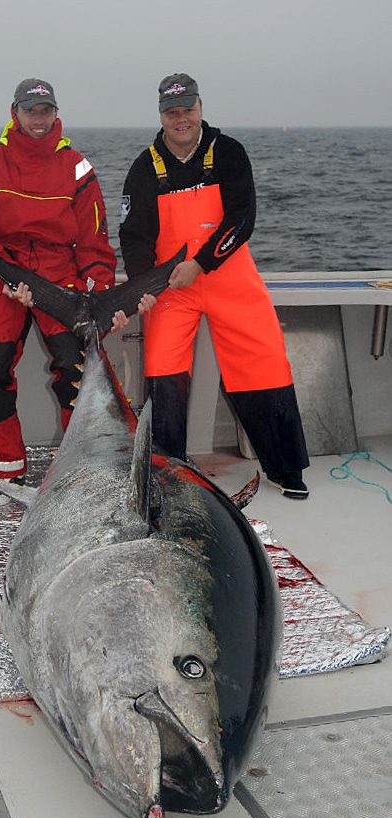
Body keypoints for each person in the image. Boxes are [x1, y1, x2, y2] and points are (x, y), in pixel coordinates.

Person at [119, 73, 310, 499]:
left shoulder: (228, 152)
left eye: (187, 109)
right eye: (172, 112)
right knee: (163, 374)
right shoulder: (144, 167)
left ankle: (286, 469)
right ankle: (168, 475)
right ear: (161, 116)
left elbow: (242, 219)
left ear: (201, 108)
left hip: (227, 276)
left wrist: (201, 264)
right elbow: (134, 237)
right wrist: (143, 286)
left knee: (264, 363)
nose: (181, 118)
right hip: (172, 286)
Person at [0, 78, 119, 506]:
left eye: (45, 111)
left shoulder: (77, 167)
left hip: (59, 278)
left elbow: (95, 244)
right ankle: (7, 472)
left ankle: (79, 469)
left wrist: (97, 292)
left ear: (55, 113)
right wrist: (4, 272)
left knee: (78, 371)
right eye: (31, 111)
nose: (38, 119)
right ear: (16, 113)